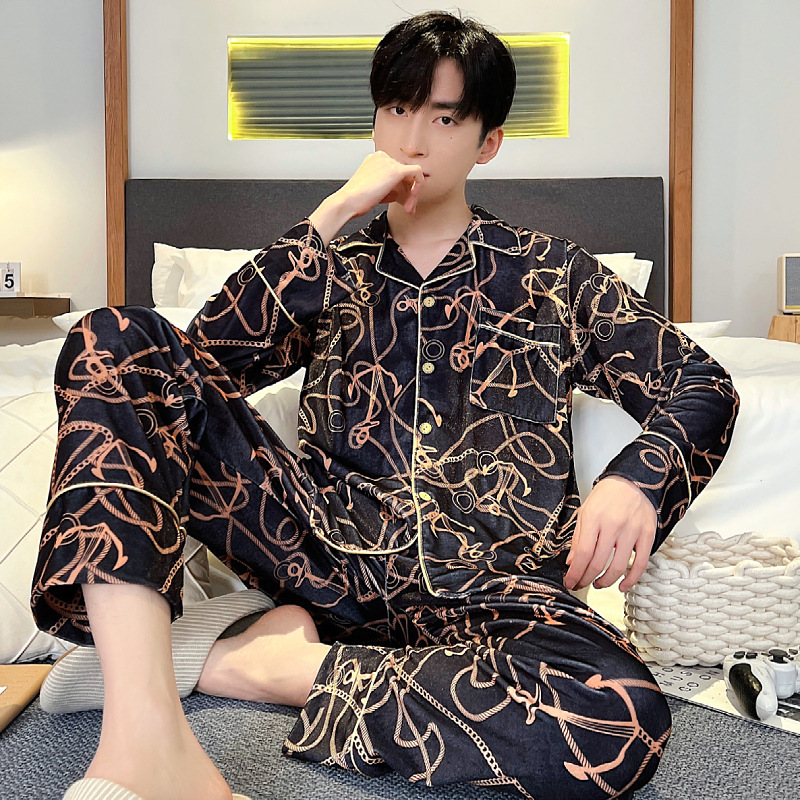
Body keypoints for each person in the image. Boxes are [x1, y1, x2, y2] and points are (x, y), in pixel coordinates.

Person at [31, 11, 739, 800]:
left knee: (618, 718)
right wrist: (332, 215)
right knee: (111, 339)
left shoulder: (556, 275)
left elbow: (701, 383)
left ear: (488, 142)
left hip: (493, 588)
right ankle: (144, 739)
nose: (412, 140)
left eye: (444, 118)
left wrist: (635, 478)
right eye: (398, 109)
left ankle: (265, 663)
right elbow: (183, 376)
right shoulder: (328, 265)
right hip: (321, 554)